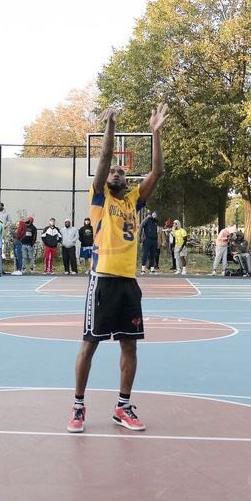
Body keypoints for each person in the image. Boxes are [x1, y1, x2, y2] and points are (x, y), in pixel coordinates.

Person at [69, 103, 166, 433]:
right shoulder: (99, 198)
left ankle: (123, 406)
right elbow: (105, 159)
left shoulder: (133, 201)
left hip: (128, 283)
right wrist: (110, 123)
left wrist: (156, 132)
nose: (116, 173)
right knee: (89, 344)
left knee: (130, 345)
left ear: (127, 180)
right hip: (103, 281)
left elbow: (158, 172)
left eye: (121, 172)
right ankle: (79, 406)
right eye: (112, 172)